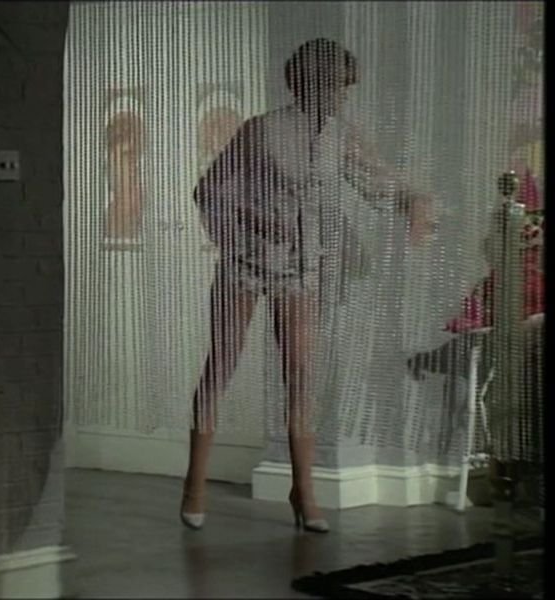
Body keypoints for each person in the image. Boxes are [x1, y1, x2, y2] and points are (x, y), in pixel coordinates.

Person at [182, 38, 435, 533]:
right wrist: (253, 221)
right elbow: (208, 190)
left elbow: (377, 178)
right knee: (222, 364)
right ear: (311, 82)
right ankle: (195, 483)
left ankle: (305, 490)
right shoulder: (262, 129)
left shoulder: (342, 136)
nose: (343, 96)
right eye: (338, 85)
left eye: (346, 88)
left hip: (302, 265)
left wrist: (414, 199)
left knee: (301, 373)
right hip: (247, 260)